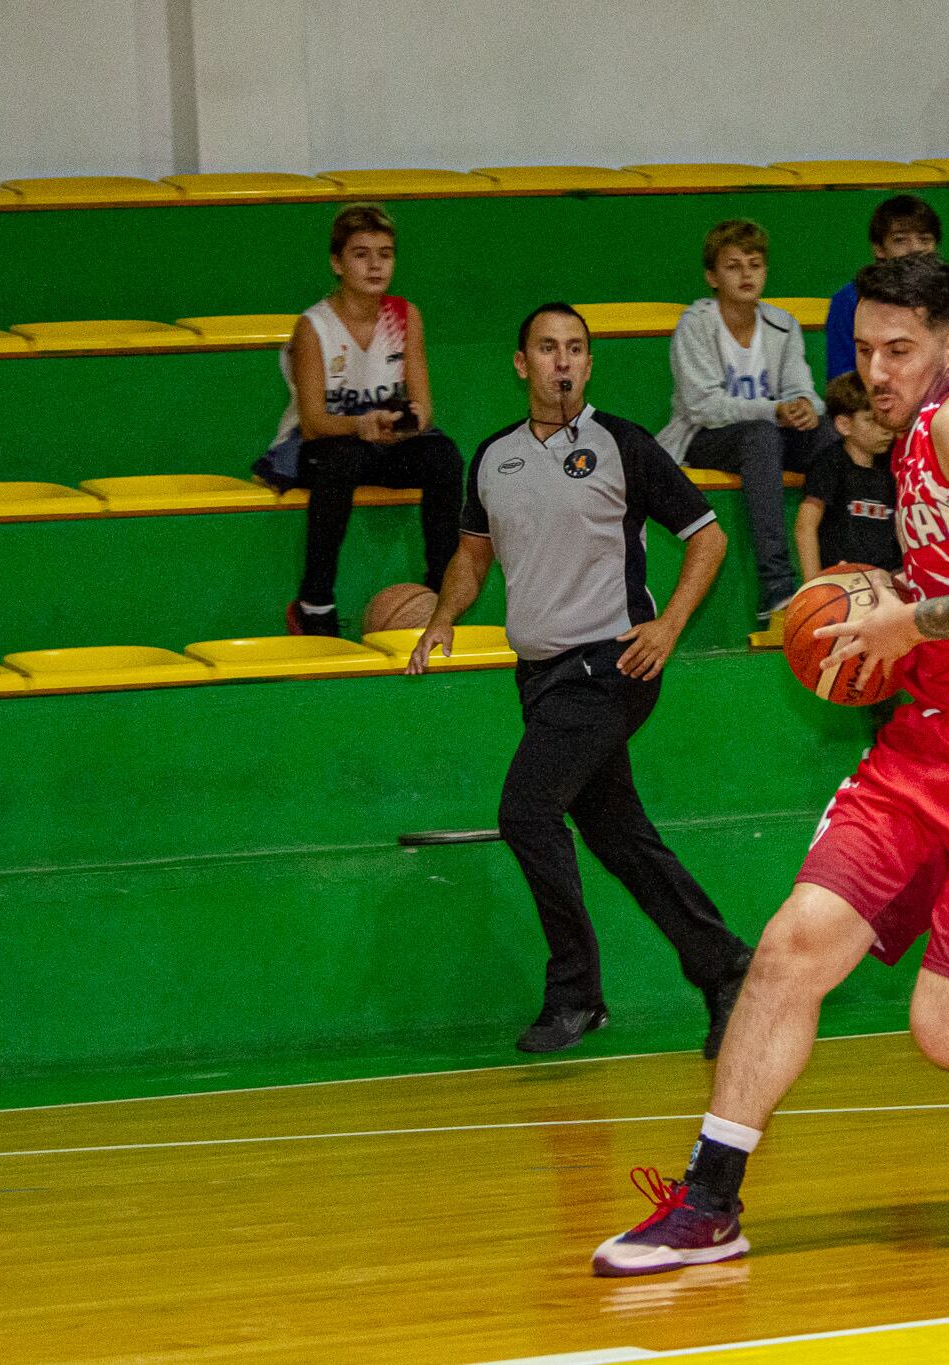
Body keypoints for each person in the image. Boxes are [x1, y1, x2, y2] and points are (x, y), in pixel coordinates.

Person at [591, 254, 949, 1277]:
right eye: (865, 352)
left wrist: (906, 616)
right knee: (794, 945)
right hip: (932, 732)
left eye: (900, 350)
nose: (878, 372)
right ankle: (709, 1201)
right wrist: (899, 600)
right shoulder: (916, 434)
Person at [409, 303, 753, 1057]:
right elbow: (472, 556)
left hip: (612, 664)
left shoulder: (622, 443)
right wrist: (442, 616)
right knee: (617, 832)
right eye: (546, 347)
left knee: (528, 809)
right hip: (539, 677)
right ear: (521, 362)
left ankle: (577, 992)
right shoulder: (493, 456)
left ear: (588, 365)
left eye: (574, 349)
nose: (561, 360)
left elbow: (709, 536)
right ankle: (725, 964)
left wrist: (668, 628)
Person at [254, 203, 464, 638]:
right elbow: (313, 423)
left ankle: (440, 592)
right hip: (316, 447)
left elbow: (424, 408)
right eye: (361, 254)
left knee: (444, 456)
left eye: (385, 254)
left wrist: (401, 424)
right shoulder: (314, 327)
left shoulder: (406, 316)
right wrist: (360, 425)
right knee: (341, 459)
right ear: (337, 262)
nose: (375, 265)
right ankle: (315, 604)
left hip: (380, 441)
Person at [658, 219, 826, 627]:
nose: (747, 274)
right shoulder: (696, 325)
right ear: (712, 277)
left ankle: (840, 571)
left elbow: (804, 389)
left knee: (833, 437)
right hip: (703, 437)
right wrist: (773, 411)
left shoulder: (782, 324)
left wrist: (805, 405)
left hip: (767, 432)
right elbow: (702, 406)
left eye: (754, 264)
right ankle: (778, 587)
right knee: (761, 438)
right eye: (733, 266)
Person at [794, 371, 900, 579]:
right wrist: (813, 587)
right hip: (841, 579)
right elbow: (805, 526)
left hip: (889, 579)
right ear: (844, 425)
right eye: (872, 420)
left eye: (886, 416)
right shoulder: (829, 463)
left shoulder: (895, 462)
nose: (886, 429)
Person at [825, 196, 942, 382]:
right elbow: (842, 382)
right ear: (879, 248)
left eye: (924, 239)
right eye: (900, 240)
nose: (915, 249)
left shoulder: (948, 297)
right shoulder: (849, 301)